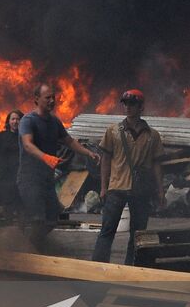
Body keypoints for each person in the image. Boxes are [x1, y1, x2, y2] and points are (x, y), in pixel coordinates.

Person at [17, 84, 100, 248]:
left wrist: (87, 153)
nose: (52, 101)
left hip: (46, 180)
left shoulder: (54, 122)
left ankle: (30, 244)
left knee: (53, 218)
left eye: (53, 97)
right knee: (38, 219)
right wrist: (46, 157)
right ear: (36, 99)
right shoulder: (28, 120)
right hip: (30, 179)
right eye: (47, 97)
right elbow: (27, 144)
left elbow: (69, 141)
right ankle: (25, 248)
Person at [91, 89, 164, 264]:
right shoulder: (113, 132)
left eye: (132, 104)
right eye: (125, 104)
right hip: (117, 188)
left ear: (141, 107)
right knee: (107, 230)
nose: (128, 107)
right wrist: (103, 187)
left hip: (141, 190)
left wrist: (160, 191)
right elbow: (106, 160)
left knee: (138, 234)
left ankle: (131, 267)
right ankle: (98, 267)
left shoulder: (152, 135)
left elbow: (157, 164)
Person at [0, 110, 23, 221]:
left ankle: (20, 227)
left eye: (18, 119)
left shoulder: (24, 137)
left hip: (19, 173)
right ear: (8, 121)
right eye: (12, 119)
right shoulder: (2, 136)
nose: (15, 121)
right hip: (4, 174)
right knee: (6, 201)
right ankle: (8, 226)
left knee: (19, 201)